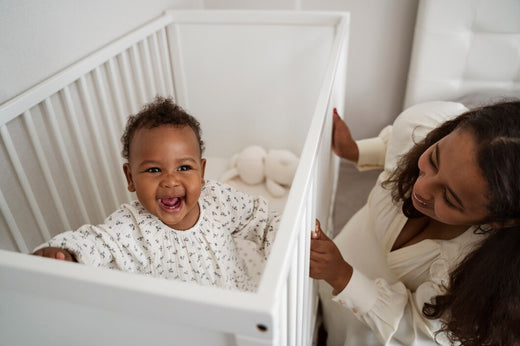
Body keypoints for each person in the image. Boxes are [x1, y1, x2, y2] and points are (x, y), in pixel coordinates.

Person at [310, 100, 520, 345]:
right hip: (330, 282)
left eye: (450, 198)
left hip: (372, 330)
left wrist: (342, 276)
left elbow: (418, 329)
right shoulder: (426, 125)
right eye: (433, 159)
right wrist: (355, 151)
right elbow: (400, 146)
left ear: (499, 221)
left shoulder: (474, 275)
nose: (421, 188)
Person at [33, 96, 279, 292]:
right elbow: (98, 243)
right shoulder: (131, 227)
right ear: (130, 178)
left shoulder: (218, 198)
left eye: (184, 167)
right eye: (153, 169)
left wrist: (296, 241)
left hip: (242, 299)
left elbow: (262, 219)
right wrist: (65, 254)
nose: (170, 181)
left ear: (201, 172)